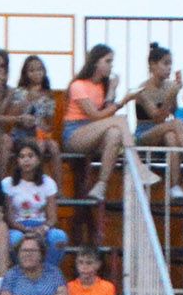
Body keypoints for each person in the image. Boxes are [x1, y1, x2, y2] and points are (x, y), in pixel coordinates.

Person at [62, 44, 144, 201]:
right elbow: (95, 116)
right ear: (95, 62)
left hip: (94, 132)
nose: (110, 66)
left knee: (114, 133)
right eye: (107, 61)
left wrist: (112, 90)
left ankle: (101, 184)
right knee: (119, 120)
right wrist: (123, 101)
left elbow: (106, 115)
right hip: (75, 133)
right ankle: (137, 164)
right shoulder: (78, 85)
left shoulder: (101, 86)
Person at [130, 43, 183, 202]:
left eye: (170, 64)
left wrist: (175, 93)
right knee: (175, 124)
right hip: (145, 132)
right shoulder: (142, 90)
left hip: (164, 129)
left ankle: (174, 186)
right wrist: (171, 94)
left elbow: (174, 112)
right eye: (165, 63)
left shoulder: (170, 86)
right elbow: (157, 117)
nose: (169, 68)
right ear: (153, 65)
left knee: (172, 136)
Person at [8, 54, 62, 171]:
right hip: (20, 133)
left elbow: (50, 124)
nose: (36, 73)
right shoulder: (19, 92)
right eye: (31, 70)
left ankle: (58, 188)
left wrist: (43, 126)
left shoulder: (48, 95)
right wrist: (28, 99)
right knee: (39, 145)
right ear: (25, 74)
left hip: (39, 133)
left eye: (39, 69)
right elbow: (12, 115)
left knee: (54, 146)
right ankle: (34, 179)